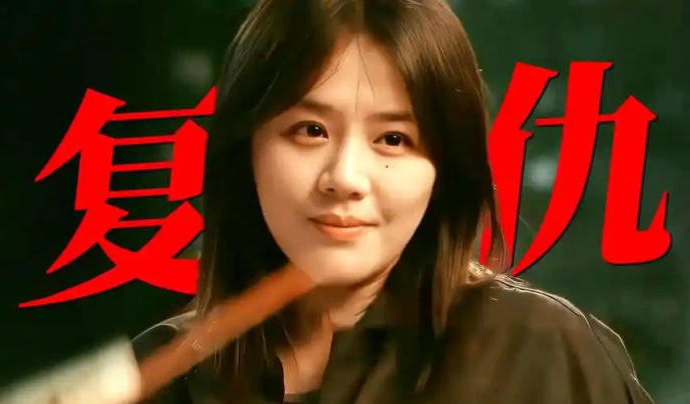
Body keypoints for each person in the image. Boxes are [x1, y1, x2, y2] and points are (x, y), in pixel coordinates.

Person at [132, 0, 654, 403]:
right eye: (310, 130)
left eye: (393, 139)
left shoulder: (544, 355)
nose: (345, 178)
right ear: (245, 148)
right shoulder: (164, 374)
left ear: (444, 169)